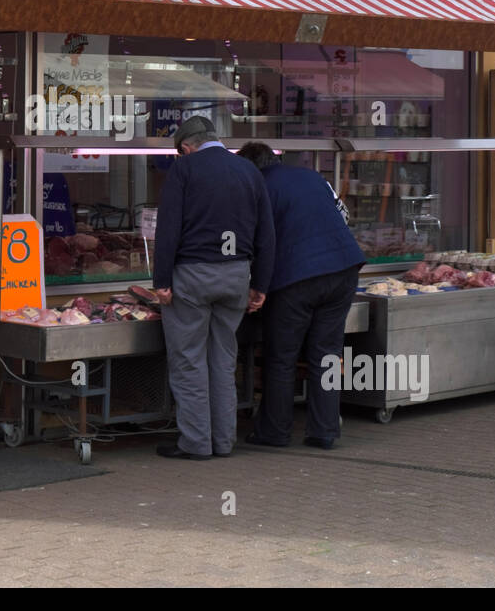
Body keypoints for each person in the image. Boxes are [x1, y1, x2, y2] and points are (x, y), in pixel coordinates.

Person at [152, 116, 274, 460]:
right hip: (237, 274)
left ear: (187, 146)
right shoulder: (249, 170)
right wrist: (260, 284)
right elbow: (266, 232)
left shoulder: (185, 169)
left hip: (192, 275)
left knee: (189, 360)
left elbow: (169, 227)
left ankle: (195, 443)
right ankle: (223, 441)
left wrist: (161, 280)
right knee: (223, 359)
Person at [237, 142, 365, 450]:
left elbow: (259, 244)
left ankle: (275, 432)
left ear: (250, 169)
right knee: (327, 354)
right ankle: (324, 431)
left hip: (296, 278)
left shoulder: (258, 189)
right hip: (344, 268)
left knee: (282, 357)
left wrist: (258, 287)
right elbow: (343, 215)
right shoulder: (312, 177)